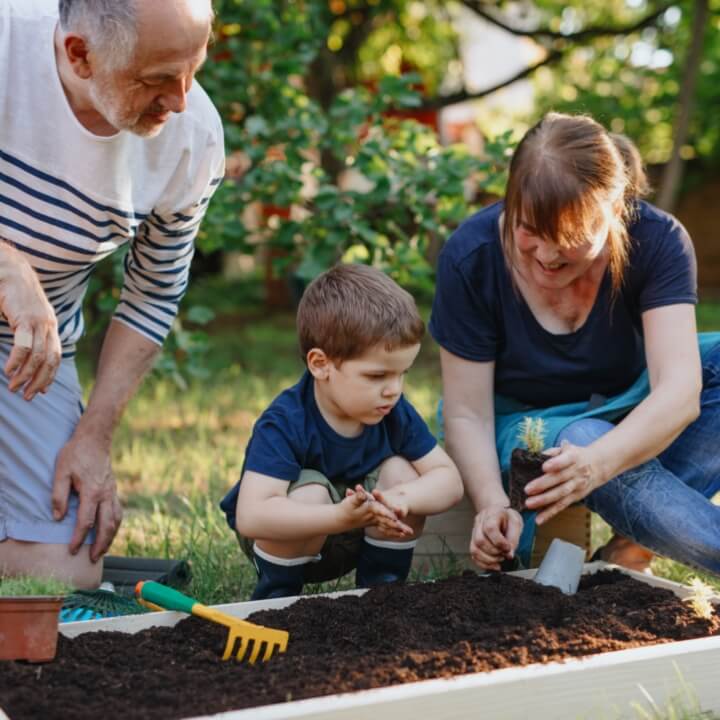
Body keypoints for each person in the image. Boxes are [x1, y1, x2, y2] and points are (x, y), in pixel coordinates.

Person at [430, 112, 720, 576]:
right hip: (525, 425)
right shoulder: (472, 257)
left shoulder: (657, 239)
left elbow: (679, 392)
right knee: (583, 438)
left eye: (570, 239)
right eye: (528, 230)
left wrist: (600, 462)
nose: (546, 255)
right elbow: (467, 413)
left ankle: (631, 544)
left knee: (600, 440)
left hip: (623, 403)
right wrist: (489, 502)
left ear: (614, 211)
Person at [0, 0, 224, 588]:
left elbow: (152, 296)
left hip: (23, 358)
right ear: (79, 55)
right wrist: (8, 268)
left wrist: (92, 436)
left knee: (66, 571)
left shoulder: (192, 137)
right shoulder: (6, 45)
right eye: (156, 79)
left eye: (192, 71)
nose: (180, 101)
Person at [220, 264, 463, 600]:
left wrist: (398, 499)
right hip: (288, 535)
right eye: (377, 376)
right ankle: (276, 603)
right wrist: (337, 516)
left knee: (403, 473)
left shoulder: (393, 411)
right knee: (311, 492)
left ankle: (382, 595)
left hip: (357, 530)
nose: (394, 390)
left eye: (402, 373)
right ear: (321, 365)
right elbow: (252, 516)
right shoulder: (286, 421)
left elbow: (448, 479)